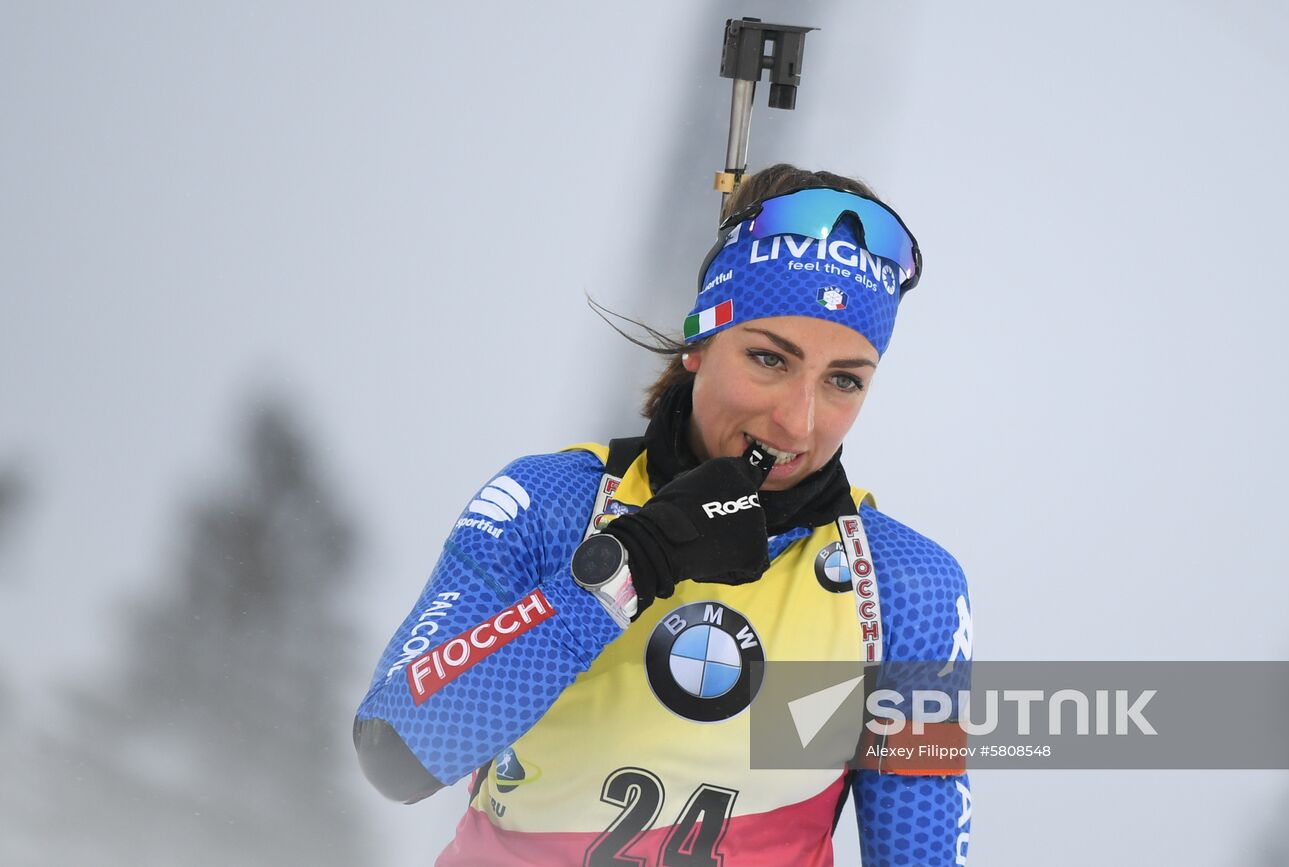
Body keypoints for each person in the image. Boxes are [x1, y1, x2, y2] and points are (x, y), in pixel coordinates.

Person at [354, 164, 974, 866]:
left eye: (843, 380)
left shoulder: (901, 589)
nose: (799, 420)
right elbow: (395, 754)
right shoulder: (555, 504)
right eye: (769, 358)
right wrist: (630, 565)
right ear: (700, 343)